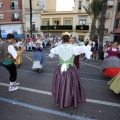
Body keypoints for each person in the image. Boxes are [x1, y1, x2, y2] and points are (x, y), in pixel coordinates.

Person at [49, 32, 92, 109]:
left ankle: (61, 98)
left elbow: (52, 51)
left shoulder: (58, 47)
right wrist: (89, 44)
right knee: (71, 84)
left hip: (61, 68)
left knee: (61, 83)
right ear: (69, 39)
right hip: (71, 68)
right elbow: (84, 49)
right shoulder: (73, 47)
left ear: (62, 39)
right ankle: (69, 99)